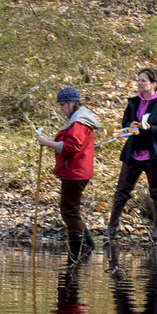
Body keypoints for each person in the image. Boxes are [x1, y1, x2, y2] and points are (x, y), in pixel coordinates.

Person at [103, 67, 157, 245]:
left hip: (154, 155)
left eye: (143, 80)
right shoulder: (133, 102)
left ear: (153, 84)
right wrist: (131, 125)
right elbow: (125, 123)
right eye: (139, 80)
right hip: (133, 153)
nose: (140, 83)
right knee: (122, 191)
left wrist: (150, 128)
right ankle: (112, 227)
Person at [33, 86, 101, 258]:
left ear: (72, 103)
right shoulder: (77, 119)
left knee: (69, 210)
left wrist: (47, 142)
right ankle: (85, 246)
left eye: (63, 104)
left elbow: (71, 148)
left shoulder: (78, 122)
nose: (61, 108)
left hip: (75, 171)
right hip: (75, 170)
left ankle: (79, 251)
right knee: (69, 209)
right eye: (60, 105)